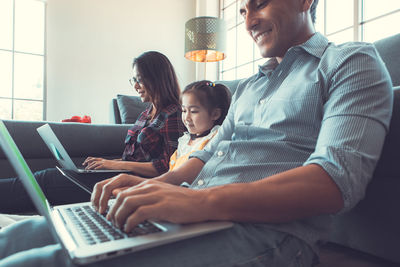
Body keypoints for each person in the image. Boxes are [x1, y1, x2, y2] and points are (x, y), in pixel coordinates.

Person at [0, 0, 393, 266]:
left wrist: (199, 204)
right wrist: (152, 187)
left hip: (269, 234)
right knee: (25, 236)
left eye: (260, 3)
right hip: (194, 212)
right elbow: (206, 155)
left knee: (44, 261)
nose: (249, 20)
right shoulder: (252, 87)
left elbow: (336, 182)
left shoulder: (350, 61)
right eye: (243, 9)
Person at [0, 51, 185, 213]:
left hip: (134, 182)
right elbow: (135, 159)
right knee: (52, 176)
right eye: (134, 80)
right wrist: (106, 163)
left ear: (156, 78)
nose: (135, 86)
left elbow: (168, 167)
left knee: (48, 179)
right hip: (120, 175)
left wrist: (114, 166)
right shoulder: (146, 114)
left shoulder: (175, 114)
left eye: (139, 79)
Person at [111, 80, 231, 195]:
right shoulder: (184, 140)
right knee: (119, 191)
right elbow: (171, 173)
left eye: (194, 111)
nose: (187, 118)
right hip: (171, 188)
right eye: (184, 111)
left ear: (215, 114)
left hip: (191, 193)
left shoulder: (215, 138)